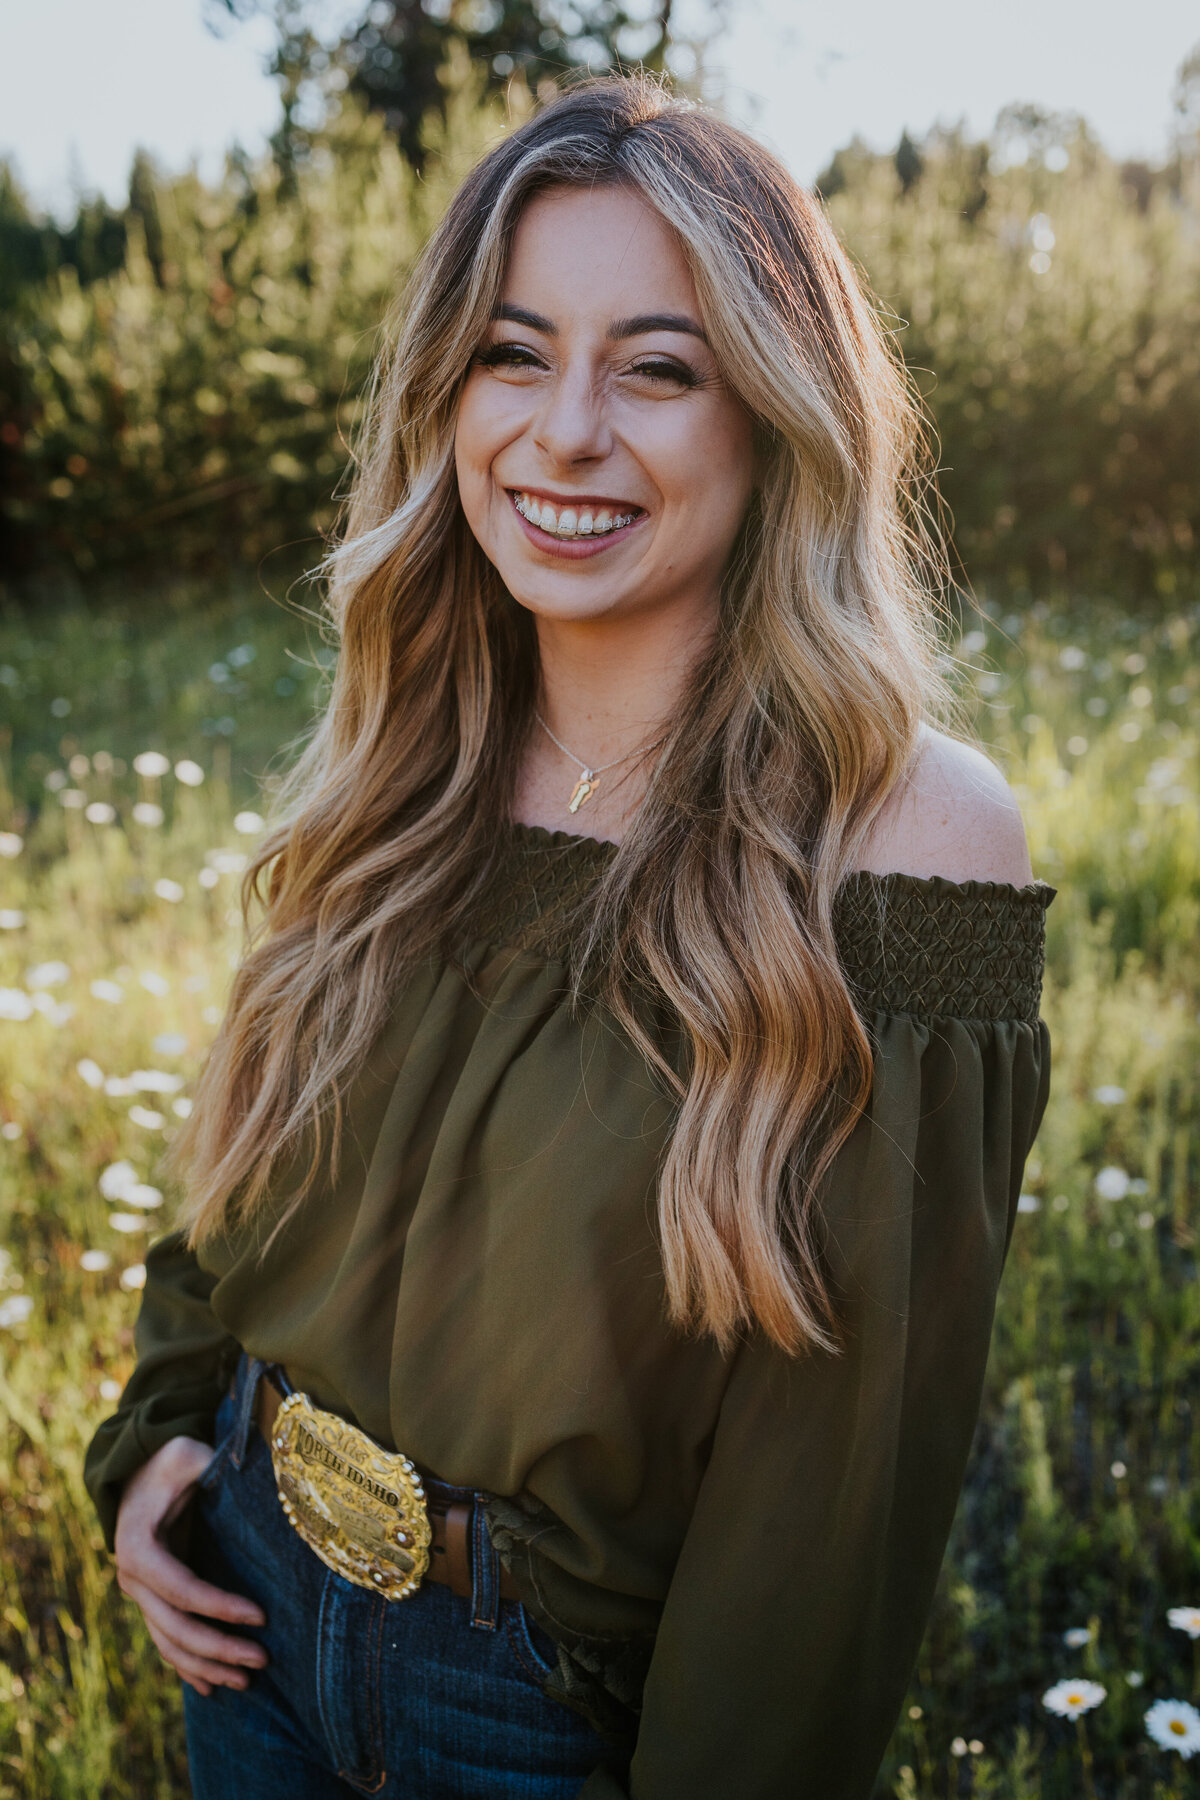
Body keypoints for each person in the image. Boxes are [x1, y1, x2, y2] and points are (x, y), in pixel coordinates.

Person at [85, 72, 1053, 1800]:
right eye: (513, 354)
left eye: (660, 369)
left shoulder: (908, 837)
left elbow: (833, 1503)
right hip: (245, 1614)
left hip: (538, 1711)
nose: (565, 431)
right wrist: (162, 1431)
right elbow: (260, 1163)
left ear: (776, 414)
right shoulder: (409, 746)